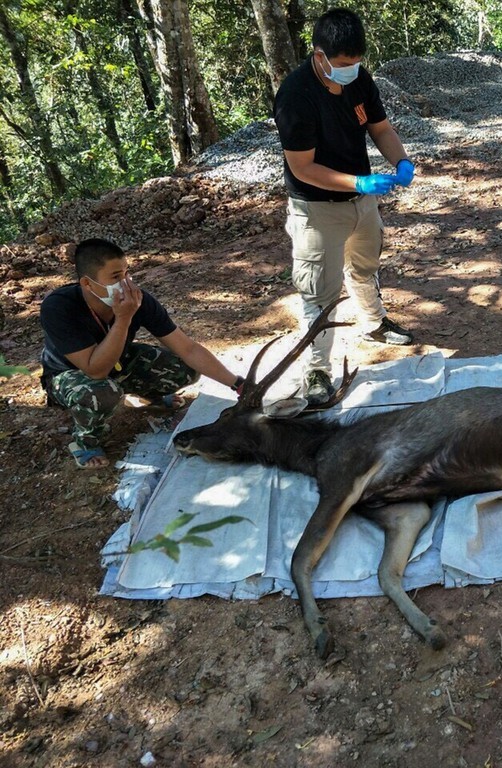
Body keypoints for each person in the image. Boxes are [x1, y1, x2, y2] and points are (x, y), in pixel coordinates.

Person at [274, 7, 417, 406]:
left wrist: (400, 162)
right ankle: (317, 369)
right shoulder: (295, 96)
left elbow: (382, 129)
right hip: (317, 207)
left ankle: (373, 322)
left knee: (366, 264)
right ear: (319, 55)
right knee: (319, 289)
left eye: (356, 63)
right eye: (342, 64)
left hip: (362, 201)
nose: (351, 70)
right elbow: (303, 168)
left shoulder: (359, 80)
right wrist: (358, 181)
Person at [40, 238, 244, 469]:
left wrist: (237, 384)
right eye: (116, 277)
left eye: (127, 273)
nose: (126, 283)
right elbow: (95, 370)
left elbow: (188, 349)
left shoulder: (139, 300)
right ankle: (85, 444)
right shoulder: (58, 307)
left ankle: (148, 396)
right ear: (87, 284)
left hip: (118, 362)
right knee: (103, 392)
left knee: (183, 369)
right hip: (70, 375)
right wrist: (123, 318)